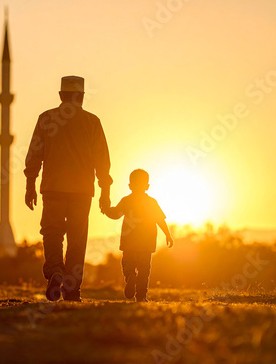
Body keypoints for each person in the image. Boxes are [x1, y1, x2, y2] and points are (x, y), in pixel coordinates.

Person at [24, 75, 112, 302]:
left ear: (61, 96)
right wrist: (105, 191)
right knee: (77, 239)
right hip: (82, 192)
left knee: (52, 233)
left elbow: (34, 155)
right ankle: (72, 289)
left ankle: (55, 271)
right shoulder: (92, 122)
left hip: (53, 188)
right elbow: (102, 162)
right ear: (81, 97)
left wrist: (30, 184)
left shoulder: (46, 118)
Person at [103, 169, 174, 302]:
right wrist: (168, 235)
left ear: (130, 185)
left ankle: (130, 276)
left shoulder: (126, 200)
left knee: (127, 264)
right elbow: (160, 220)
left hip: (129, 242)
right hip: (146, 243)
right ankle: (141, 296)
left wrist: (106, 209)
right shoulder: (152, 202)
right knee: (144, 270)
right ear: (147, 186)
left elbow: (115, 214)